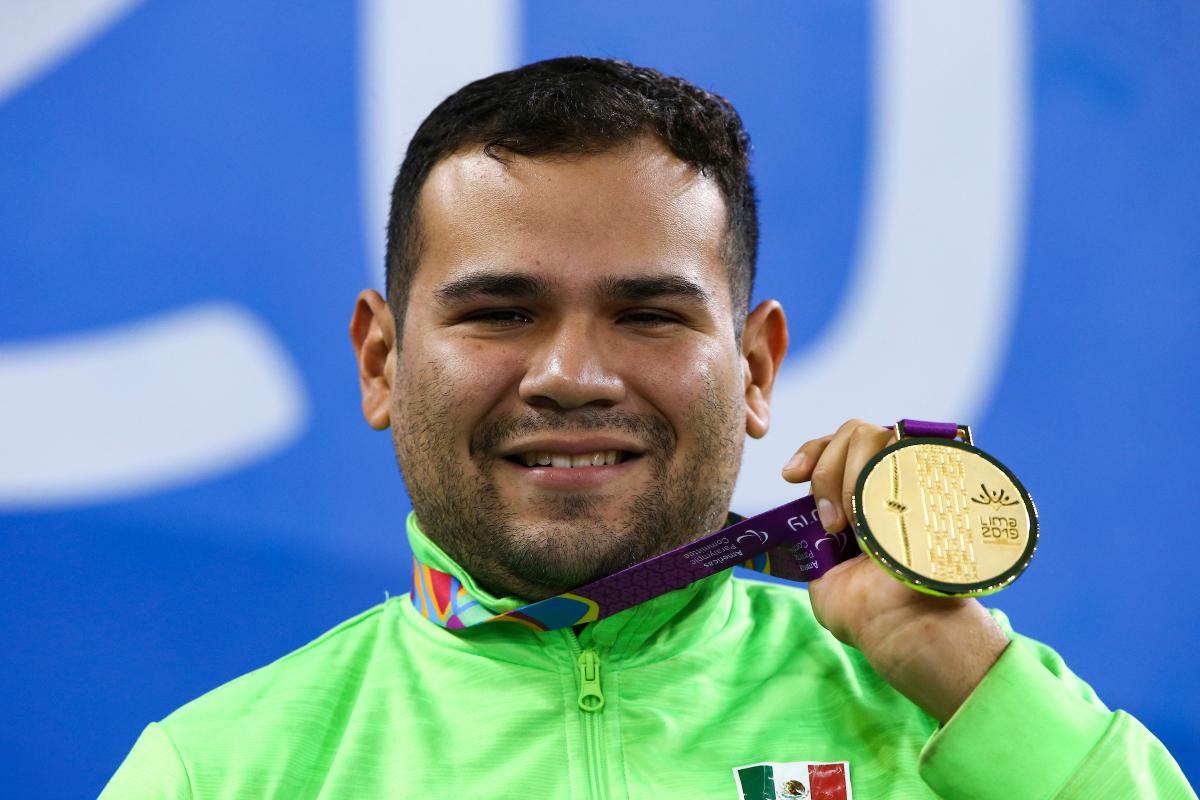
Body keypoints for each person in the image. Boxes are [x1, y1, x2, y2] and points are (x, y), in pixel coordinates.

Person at [101, 56, 1195, 799]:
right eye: (500, 311)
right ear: (381, 359)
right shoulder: (222, 769)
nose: (572, 372)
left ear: (757, 364)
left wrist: (953, 662)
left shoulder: (948, 718)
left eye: (647, 314)